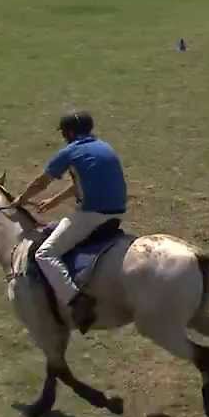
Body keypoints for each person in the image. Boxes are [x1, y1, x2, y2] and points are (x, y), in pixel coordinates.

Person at [12, 110, 127, 333]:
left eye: (64, 132)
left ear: (69, 132)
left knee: (44, 253)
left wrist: (21, 199)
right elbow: (81, 183)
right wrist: (53, 202)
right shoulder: (104, 147)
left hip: (92, 215)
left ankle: (77, 302)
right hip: (117, 213)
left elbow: (41, 181)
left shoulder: (70, 152)